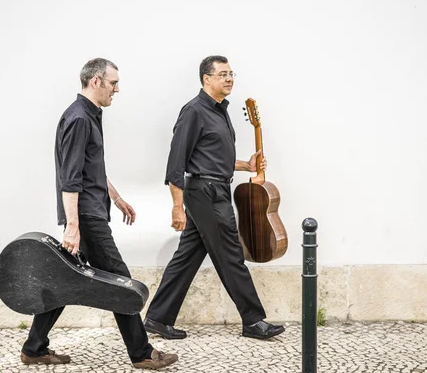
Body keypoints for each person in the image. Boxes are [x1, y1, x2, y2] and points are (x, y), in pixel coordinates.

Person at [20, 58, 178, 370]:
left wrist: (115, 198)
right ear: (96, 81)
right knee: (121, 282)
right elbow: (71, 178)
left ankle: (34, 347)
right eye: (113, 83)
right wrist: (73, 227)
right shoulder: (80, 118)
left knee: (66, 281)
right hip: (86, 218)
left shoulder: (88, 116)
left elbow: (90, 168)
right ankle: (143, 353)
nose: (117, 89)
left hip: (91, 212)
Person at [143, 55, 285, 340]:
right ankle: (253, 321)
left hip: (215, 189)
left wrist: (246, 165)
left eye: (231, 73)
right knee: (231, 254)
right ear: (206, 79)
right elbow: (177, 163)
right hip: (204, 193)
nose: (229, 78)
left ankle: (158, 318)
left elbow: (210, 157)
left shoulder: (221, 111)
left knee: (187, 257)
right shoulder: (194, 111)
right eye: (222, 74)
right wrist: (177, 206)